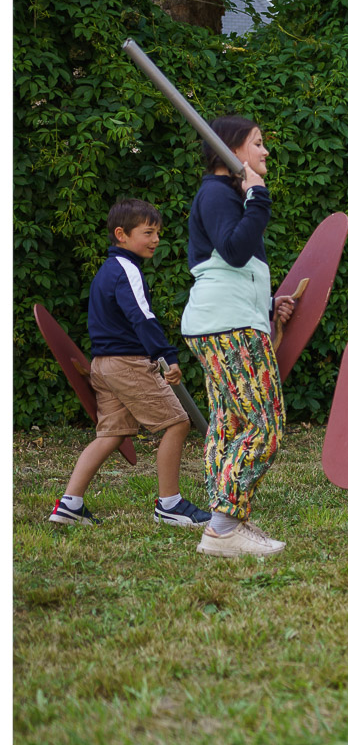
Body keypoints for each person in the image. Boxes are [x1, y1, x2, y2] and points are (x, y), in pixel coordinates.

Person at [49, 199, 209, 528]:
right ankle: (170, 504)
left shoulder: (107, 272)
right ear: (121, 234)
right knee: (177, 423)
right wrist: (166, 356)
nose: (155, 239)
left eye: (158, 233)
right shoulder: (127, 269)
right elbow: (142, 317)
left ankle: (69, 504)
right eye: (148, 232)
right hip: (128, 364)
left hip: (104, 365)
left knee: (111, 433)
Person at [181, 117, 296, 557]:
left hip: (225, 320)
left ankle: (225, 522)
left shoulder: (219, 196)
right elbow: (233, 249)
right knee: (265, 425)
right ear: (230, 149)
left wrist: (267, 307)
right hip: (229, 327)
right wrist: (258, 199)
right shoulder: (217, 192)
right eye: (258, 144)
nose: (265, 152)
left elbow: (230, 265)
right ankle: (224, 528)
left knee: (229, 425)